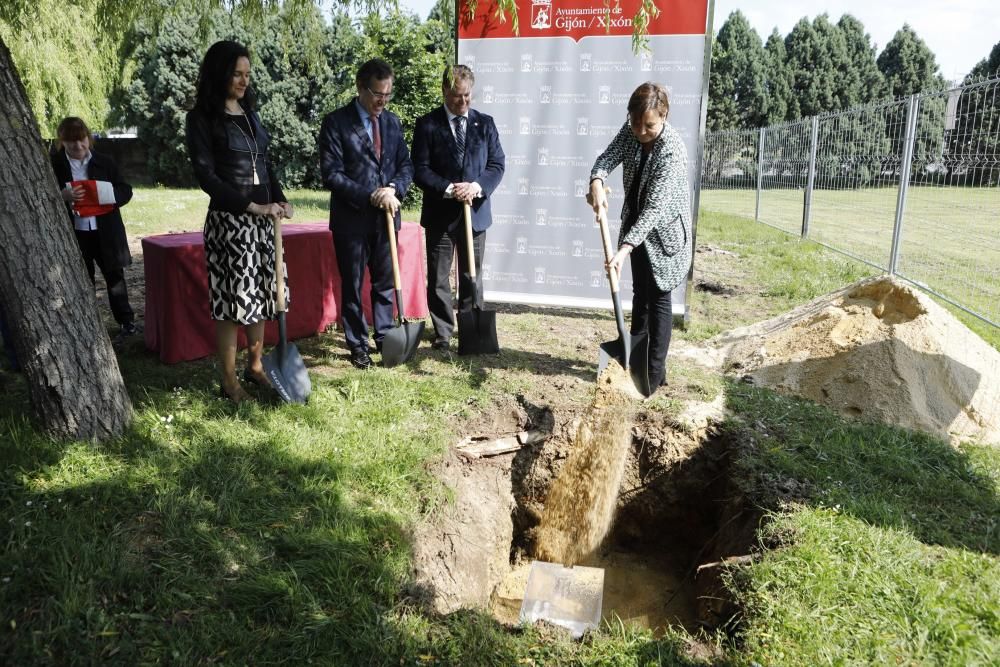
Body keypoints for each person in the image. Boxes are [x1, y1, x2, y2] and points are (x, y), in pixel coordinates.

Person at [186, 40, 293, 403]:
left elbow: (265, 163)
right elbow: (207, 178)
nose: (244, 81)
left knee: (264, 294)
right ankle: (229, 380)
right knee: (233, 302)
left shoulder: (251, 114)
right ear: (220, 74)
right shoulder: (201, 118)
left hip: (265, 222)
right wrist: (251, 207)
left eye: (248, 75)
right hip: (231, 223)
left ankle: (256, 365)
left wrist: (278, 199)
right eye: (237, 74)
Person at [588, 82, 692, 391]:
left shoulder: (671, 153)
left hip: (665, 237)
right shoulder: (631, 129)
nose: (641, 130)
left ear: (664, 116)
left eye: (649, 125)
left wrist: (622, 251)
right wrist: (596, 179)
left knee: (658, 298)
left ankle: (654, 375)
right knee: (639, 296)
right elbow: (608, 156)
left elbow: (655, 210)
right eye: (636, 123)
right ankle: (635, 362)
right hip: (636, 226)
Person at [318, 58, 413, 369]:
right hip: (352, 219)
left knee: (385, 281)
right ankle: (357, 344)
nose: (382, 101)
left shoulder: (393, 122)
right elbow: (331, 174)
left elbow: (405, 166)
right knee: (354, 284)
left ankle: (385, 337)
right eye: (376, 94)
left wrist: (395, 189)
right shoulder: (336, 122)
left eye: (387, 94)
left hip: (387, 217)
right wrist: (370, 195)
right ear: (360, 88)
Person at [412, 65, 506, 351]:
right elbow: (420, 169)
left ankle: (471, 329)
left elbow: (497, 165)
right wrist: (452, 189)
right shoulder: (427, 124)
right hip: (441, 214)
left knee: (471, 274)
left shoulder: (485, 124)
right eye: (456, 97)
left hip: (475, 214)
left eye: (466, 96)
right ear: (444, 91)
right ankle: (443, 332)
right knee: (439, 276)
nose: (462, 102)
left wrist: (475, 187)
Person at [51, 116, 139, 346]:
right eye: (71, 142)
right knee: (82, 279)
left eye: (81, 140)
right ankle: (88, 325)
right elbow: (43, 196)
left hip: (105, 230)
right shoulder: (55, 164)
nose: (78, 147)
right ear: (62, 142)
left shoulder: (105, 161)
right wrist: (62, 196)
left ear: (88, 139)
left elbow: (125, 190)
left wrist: (107, 197)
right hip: (75, 233)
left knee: (115, 277)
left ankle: (127, 323)